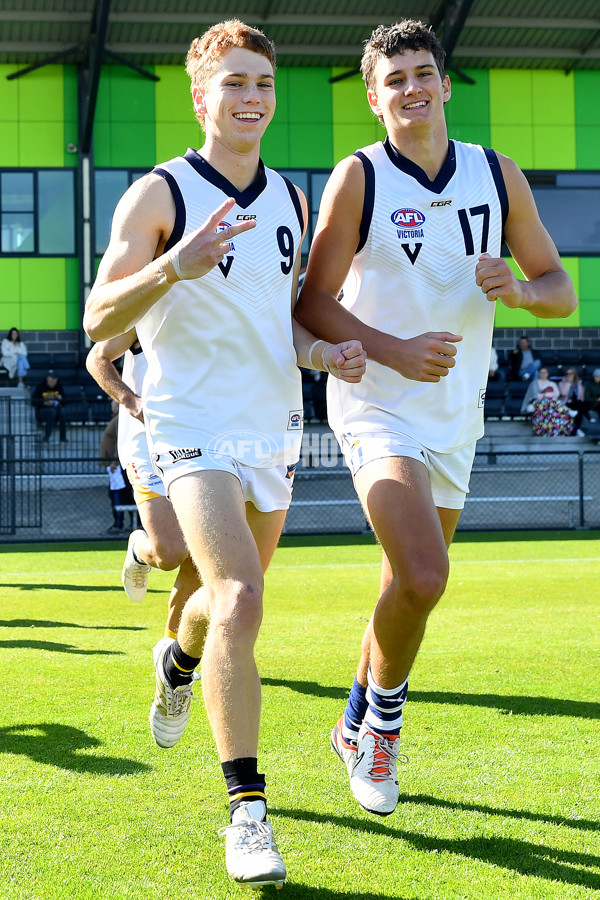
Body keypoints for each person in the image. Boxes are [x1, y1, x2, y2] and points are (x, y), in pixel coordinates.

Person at [83, 19, 366, 888]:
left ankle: (177, 662)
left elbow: (278, 321)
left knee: (217, 603)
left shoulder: (289, 197)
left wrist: (327, 353)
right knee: (241, 596)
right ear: (202, 95)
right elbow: (98, 321)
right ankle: (248, 811)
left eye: (263, 85)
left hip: (271, 428)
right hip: (187, 422)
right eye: (235, 83)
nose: (252, 98)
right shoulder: (159, 194)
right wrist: (175, 265)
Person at [294, 19, 577, 817]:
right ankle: (382, 730)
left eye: (423, 73)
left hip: (458, 410)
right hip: (376, 399)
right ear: (374, 97)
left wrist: (519, 291)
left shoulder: (499, 173)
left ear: (446, 84)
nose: (411, 89)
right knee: (424, 573)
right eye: (394, 79)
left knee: (406, 586)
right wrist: (393, 349)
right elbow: (313, 302)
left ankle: (353, 717)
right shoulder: (358, 178)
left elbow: (561, 288)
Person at [87, 330, 206, 646]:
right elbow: (97, 358)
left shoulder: (218, 304)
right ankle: (140, 551)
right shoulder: (150, 304)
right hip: (146, 443)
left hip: (201, 440)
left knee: (203, 554)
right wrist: (130, 399)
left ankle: (174, 651)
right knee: (170, 553)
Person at [99, 399, 134, 533]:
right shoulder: (116, 419)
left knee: (119, 494)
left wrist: (115, 461)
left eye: (114, 403)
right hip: (115, 465)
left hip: (118, 466)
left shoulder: (120, 419)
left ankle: (119, 523)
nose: (112, 406)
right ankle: (127, 522)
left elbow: (121, 442)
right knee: (120, 494)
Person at [31, 371, 67, 442]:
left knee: (62, 412)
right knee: (51, 412)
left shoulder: (59, 387)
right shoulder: (40, 387)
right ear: (47, 379)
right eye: (50, 382)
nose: (52, 384)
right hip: (42, 410)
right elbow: (33, 401)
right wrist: (44, 403)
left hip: (56, 409)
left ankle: (63, 437)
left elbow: (65, 400)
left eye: (54, 382)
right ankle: (46, 437)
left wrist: (61, 399)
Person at [558, 366, 586, 433]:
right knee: (579, 405)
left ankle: (577, 429)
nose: (569, 375)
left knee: (579, 405)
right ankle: (588, 418)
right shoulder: (561, 383)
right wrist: (568, 383)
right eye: (567, 374)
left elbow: (581, 397)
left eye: (571, 374)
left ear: (574, 375)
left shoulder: (579, 385)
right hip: (566, 404)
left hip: (577, 404)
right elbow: (563, 393)